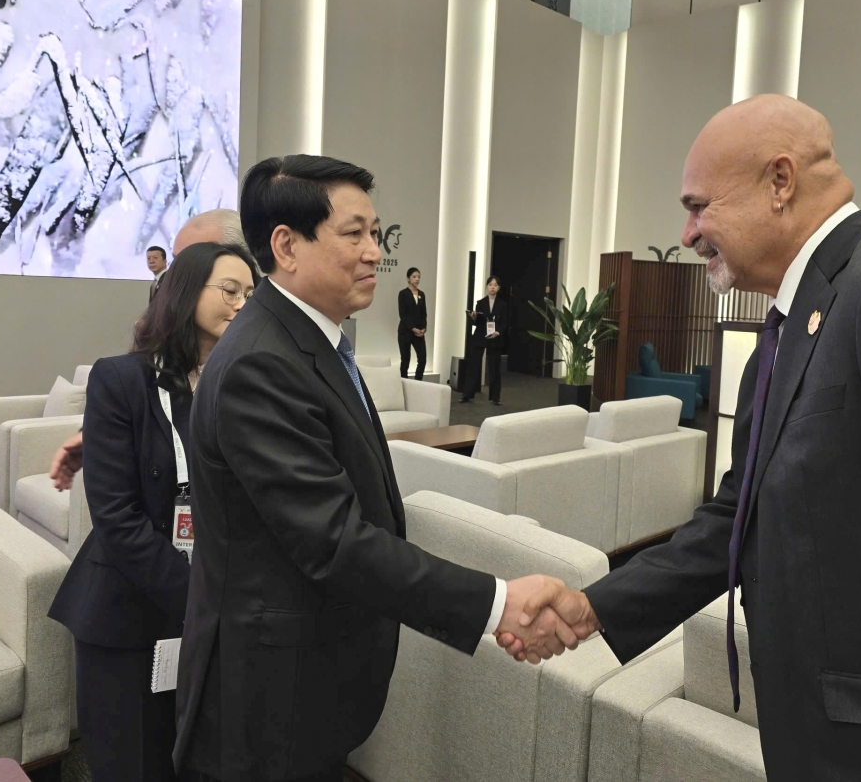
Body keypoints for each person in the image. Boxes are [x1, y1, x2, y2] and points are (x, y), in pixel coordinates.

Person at [503, 95, 861, 781]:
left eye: (699, 207)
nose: (686, 235)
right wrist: (595, 605)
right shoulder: (784, 333)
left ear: (780, 181)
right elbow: (735, 519)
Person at [172, 155, 578, 782]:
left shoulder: (314, 340)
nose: (374, 252)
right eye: (354, 233)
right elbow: (334, 540)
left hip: (311, 673)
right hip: (267, 692)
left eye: (376, 233)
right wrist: (498, 603)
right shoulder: (260, 363)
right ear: (286, 246)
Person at [47, 241, 258, 782]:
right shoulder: (122, 379)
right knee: (133, 762)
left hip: (216, 610)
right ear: (186, 292)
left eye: (250, 294)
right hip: (131, 607)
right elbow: (117, 518)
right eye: (229, 290)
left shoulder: (242, 386)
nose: (242, 304)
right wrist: (202, 600)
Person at [51, 209, 250, 492]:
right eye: (177, 260)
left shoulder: (261, 362)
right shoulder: (134, 369)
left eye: (195, 258)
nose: (179, 274)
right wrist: (103, 430)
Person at [460, 275, 507, 405]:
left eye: (495, 285)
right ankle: (467, 394)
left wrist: (498, 332)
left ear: (499, 288)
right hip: (480, 336)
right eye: (490, 285)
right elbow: (476, 323)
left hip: (495, 337)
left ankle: (495, 397)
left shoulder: (502, 304)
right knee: (473, 365)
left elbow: (504, 323)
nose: (492, 287)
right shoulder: (480, 303)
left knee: (494, 367)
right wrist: (473, 317)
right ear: (486, 286)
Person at [397, 266, 428, 379]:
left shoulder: (422, 294)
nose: (417, 279)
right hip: (405, 332)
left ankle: (417, 382)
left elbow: (424, 314)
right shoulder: (403, 293)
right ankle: (403, 383)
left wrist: (423, 328)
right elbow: (403, 314)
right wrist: (412, 328)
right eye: (414, 277)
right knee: (405, 359)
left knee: (422, 358)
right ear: (408, 279)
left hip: (419, 333)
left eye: (419, 277)